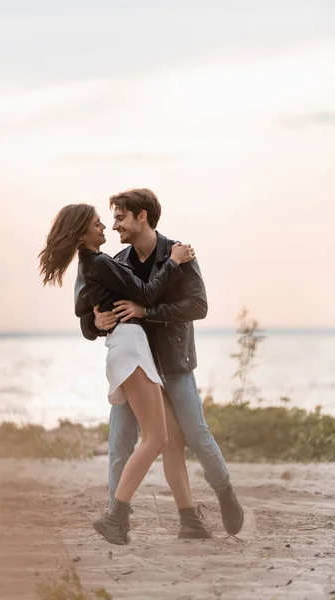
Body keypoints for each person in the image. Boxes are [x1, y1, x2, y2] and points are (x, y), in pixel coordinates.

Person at [39, 203, 210, 545]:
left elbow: (83, 309)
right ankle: (114, 516)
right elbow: (145, 294)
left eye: (106, 222)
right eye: (97, 224)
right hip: (130, 348)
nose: (105, 228)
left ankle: (190, 520)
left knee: (172, 436)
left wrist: (94, 322)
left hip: (131, 347)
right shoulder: (100, 262)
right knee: (156, 439)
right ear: (82, 233)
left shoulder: (93, 266)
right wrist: (174, 262)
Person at [80, 188, 244, 537]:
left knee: (195, 437)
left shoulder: (179, 254)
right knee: (120, 442)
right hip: (137, 368)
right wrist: (96, 322)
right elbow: (90, 314)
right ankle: (117, 517)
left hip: (173, 363)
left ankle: (224, 493)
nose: (114, 226)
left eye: (121, 217)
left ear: (142, 217)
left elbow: (198, 307)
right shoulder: (118, 261)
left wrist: (148, 312)